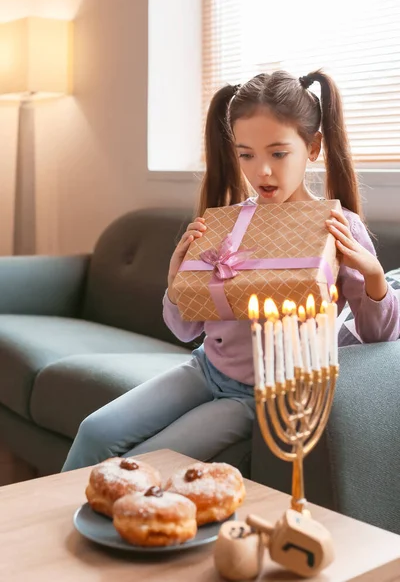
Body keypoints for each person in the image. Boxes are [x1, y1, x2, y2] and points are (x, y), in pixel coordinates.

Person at [62, 70, 399, 472]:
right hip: (204, 368)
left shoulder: (337, 227)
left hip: (257, 395)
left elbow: (381, 339)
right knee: (94, 429)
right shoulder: (229, 224)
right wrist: (176, 285)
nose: (262, 172)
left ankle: (93, 531)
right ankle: (35, 530)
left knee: (141, 465)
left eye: (278, 153)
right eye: (246, 154)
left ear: (312, 147)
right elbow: (187, 330)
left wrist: (375, 279)